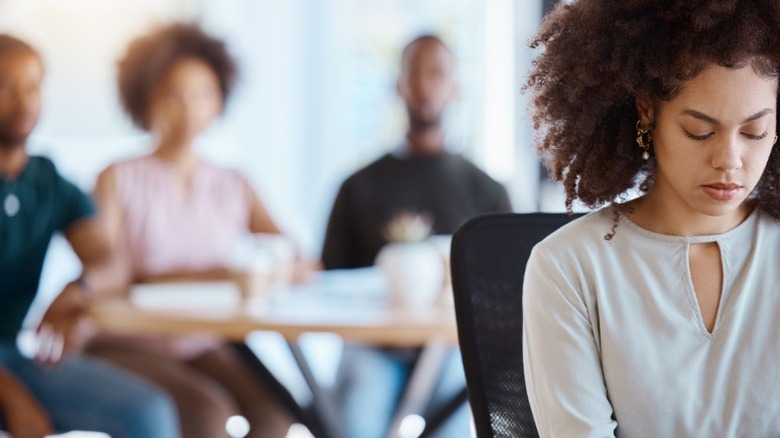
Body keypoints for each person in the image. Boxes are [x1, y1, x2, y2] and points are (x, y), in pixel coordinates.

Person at [522, 1, 780, 436]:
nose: (729, 160)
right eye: (699, 131)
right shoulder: (567, 268)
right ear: (648, 112)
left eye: (755, 132)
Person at [85, 23, 297, 438]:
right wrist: (217, 276)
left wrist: (276, 266)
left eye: (202, 94)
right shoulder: (117, 178)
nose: (189, 108)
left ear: (220, 100)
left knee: (278, 410)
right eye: (173, 95)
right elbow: (106, 273)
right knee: (207, 413)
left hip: (202, 342)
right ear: (146, 100)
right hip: (126, 341)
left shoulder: (234, 182)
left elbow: (292, 252)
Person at [322, 35, 512, 438]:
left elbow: (507, 291)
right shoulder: (356, 187)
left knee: (463, 414)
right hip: (373, 347)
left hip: (450, 349)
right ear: (397, 85)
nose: (425, 85)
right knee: (357, 412)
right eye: (414, 72)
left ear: (455, 86)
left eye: (438, 73)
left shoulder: (488, 191)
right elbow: (330, 280)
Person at [0, 34, 180, 437]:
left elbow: (110, 262)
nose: (24, 100)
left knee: (147, 412)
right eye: (5, 86)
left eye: (32, 85)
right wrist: (13, 398)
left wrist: (79, 288)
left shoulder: (49, 182)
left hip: (14, 353)